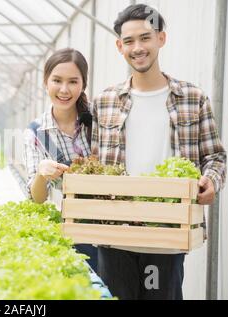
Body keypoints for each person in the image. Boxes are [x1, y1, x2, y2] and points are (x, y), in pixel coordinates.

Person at [91, 4, 226, 299]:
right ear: (119, 46)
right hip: (114, 237)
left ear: (161, 39)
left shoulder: (192, 97)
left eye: (145, 38)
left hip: (167, 236)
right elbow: (95, 165)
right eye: (129, 41)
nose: (137, 48)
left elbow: (216, 157)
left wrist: (211, 182)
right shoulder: (105, 102)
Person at [23, 48, 98, 271]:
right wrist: (40, 172)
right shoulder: (36, 132)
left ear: (83, 85)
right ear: (46, 82)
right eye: (57, 80)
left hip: (112, 227)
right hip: (73, 231)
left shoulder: (99, 120)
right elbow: (36, 198)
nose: (64, 90)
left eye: (73, 82)